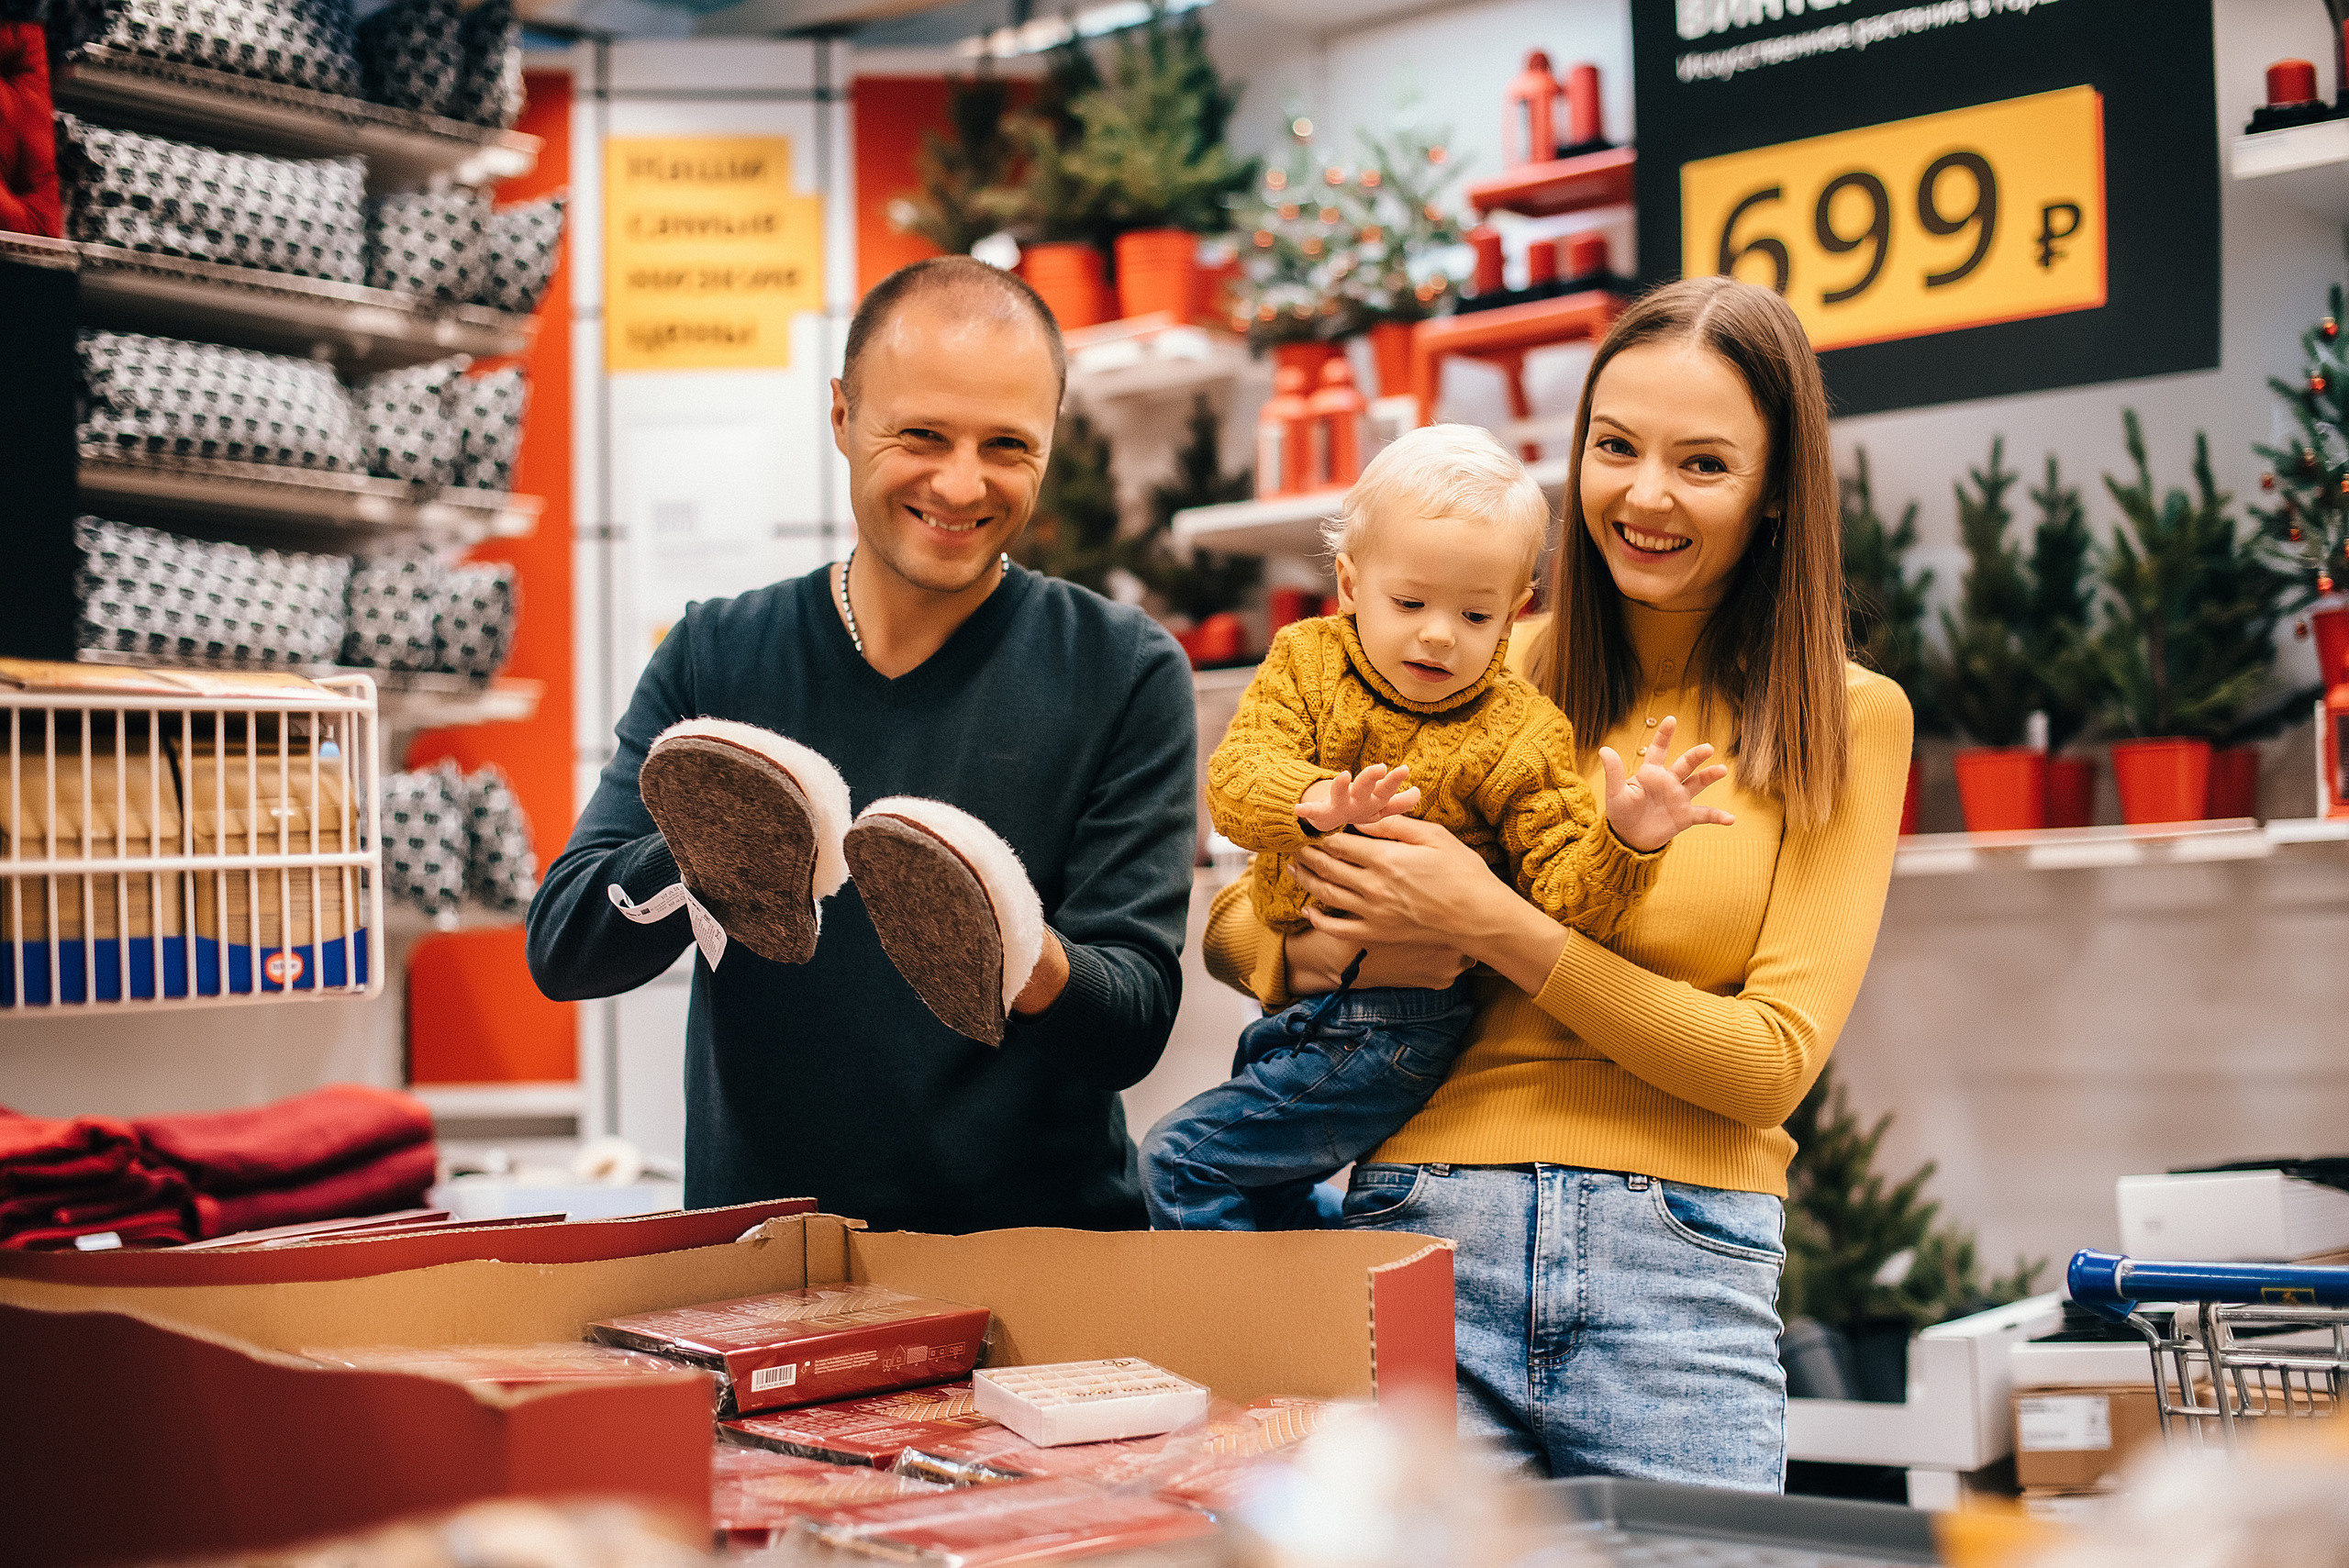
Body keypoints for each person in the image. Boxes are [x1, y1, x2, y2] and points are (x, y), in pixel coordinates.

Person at [1200, 276, 1912, 1488]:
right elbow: (1232, 918)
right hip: (1426, 1236)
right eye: (1614, 445)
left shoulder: (1846, 718)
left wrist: (1495, 924)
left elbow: (1768, 1062)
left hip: (1682, 1281)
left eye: (1702, 463)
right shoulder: (1467, 648)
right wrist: (1324, 947)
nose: (1644, 493)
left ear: (1779, 491)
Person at [527, 257, 1197, 1235]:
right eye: (920, 435)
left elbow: (1130, 1024)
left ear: (1050, 442)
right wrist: (713, 843)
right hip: (762, 1266)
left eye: (1006, 445)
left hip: (1042, 1274)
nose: (961, 483)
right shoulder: (717, 652)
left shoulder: (1122, 668)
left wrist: (1012, 944)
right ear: (841, 417)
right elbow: (564, 949)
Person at [1141, 423, 1731, 1231]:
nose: (1438, 634)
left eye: (1475, 612)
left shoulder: (1520, 732)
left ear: (1516, 609)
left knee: (1180, 1160)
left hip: (1397, 1030)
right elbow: (1237, 780)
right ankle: (1316, 1298)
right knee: (1260, 1185)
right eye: (1409, 602)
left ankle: (1241, 1343)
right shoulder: (1306, 663)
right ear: (1350, 583)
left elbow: (1567, 900)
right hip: (1294, 1009)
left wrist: (1627, 842)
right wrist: (1316, 800)